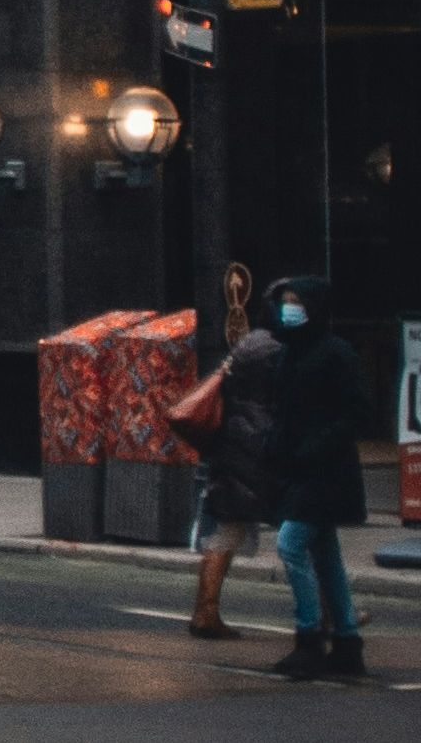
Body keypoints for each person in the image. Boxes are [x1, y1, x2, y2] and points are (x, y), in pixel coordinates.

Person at [257, 275, 372, 679]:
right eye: (286, 302)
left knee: (291, 545)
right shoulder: (290, 352)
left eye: (296, 303)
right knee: (326, 558)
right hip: (301, 469)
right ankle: (346, 640)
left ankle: (309, 637)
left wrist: (316, 445)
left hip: (326, 471)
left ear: (314, 308)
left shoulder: (335, 353)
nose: (289, 310)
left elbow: (357, 411)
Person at [185, 322, 282, 639]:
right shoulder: (284, 350)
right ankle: (331, 616)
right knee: (304, 533)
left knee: (228, 530)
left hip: (231, 447)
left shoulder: (245, 348)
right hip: (264, 450)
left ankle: (205, 611)